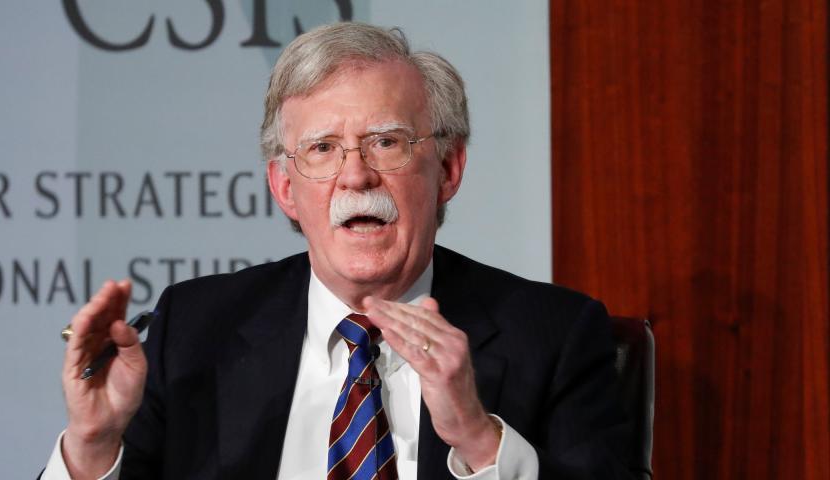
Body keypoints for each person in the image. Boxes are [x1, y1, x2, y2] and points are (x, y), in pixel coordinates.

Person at [41, 22, 631, 480]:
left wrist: (477, 438)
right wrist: (92, 446)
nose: (356, 177)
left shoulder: (556, 336)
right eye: (322, 149)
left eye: (386, 142)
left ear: (448, 169)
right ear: (283, 189)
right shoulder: (195, 330)